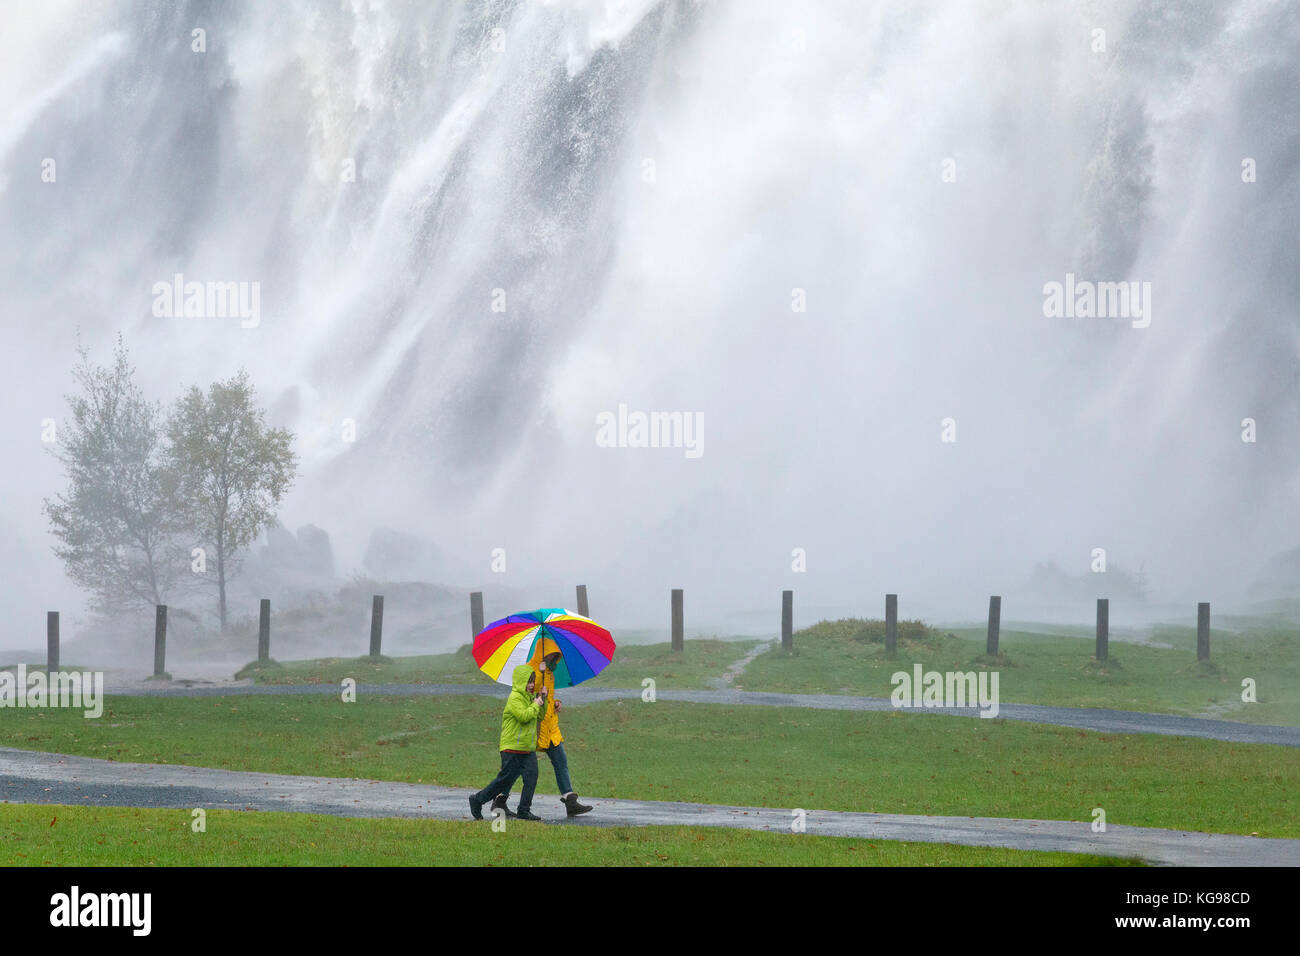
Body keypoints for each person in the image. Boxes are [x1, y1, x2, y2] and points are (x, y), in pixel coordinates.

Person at [492, 649, 592, 817]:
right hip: (534, 728)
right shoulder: (531, 672)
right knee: (516, 768)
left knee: (561, 761)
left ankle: (570, 800)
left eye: (556, 656)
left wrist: (555, 703)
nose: (554, 659)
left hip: (550, 727)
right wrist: (539, 677)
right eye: (552, 655)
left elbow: (547, 697)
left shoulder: (549, 674)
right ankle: (500, 800)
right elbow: (527, 695)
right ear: (543, 653)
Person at [468, 664, 546, 822]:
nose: (531, 685)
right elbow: (524, 716)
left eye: (533, 681)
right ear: (520, 681)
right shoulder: (515, 698)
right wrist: (536, 704)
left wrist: (544, 698)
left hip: (527, 748)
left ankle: (524, 810)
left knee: (532, 777)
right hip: (512, 748)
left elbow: (539, 717)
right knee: (504, 781)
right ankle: (477, 800)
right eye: (528, 681)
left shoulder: (530, 698)